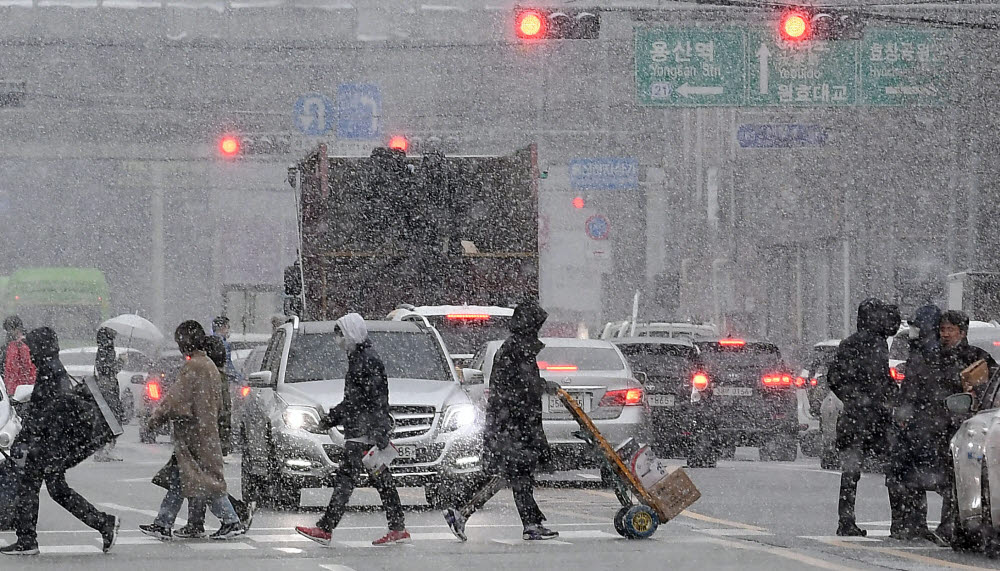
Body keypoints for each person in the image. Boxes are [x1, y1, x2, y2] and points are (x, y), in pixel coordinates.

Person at [442, 300, 560, 542]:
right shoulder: (517, 350)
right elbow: (523, 386)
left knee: (514, 474)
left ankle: (529, 523)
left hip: (513, 422)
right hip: (513, 423)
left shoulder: (516, 348)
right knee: (508, 474)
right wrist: (544, 387)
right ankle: (460, 508)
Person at [1, 327, 119, 556]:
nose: (30, 352)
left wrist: (27, 440)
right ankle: (102, 523)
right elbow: (43, 409)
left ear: (40, 347)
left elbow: (46, 411)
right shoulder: (51, 367)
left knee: (36, 486)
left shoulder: (50, 372)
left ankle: (28, 540)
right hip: (52, 444)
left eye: (32, 346)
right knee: (49, 488)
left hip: (50, 444)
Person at [295, 313, 411, 547]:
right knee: (379, 478)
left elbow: (359, 401)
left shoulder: (364, 360)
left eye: (340, 334)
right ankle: (397, 527)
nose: (338, 339)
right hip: (365, 429)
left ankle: (326, 528)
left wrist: (330, 419)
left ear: (350, 334)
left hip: (362, 430)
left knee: (347, 478)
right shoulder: (362, 357)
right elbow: (370, 398)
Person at [139, 321, 245, 541]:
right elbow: (216, 403)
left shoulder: (194, 367)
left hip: (193, 435)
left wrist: (154, 420)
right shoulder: (208, 366)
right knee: (181, 479)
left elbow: (174, 399)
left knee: (205, 481)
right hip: (205, 431)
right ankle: (163, 523)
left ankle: (231, 520)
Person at [821, 298, 900, 537]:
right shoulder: (876, 343)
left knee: (851, 472)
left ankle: (846, 520)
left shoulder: (853, 343)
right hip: (874, 417)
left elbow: (835, 378)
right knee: (892, 468)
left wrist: (853, 398)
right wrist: (884, 397)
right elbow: (880, 379)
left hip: (856, 417)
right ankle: (899, 522)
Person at [170, 335, 255, 539]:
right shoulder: (212, 374)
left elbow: (220, 412)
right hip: (206, 437)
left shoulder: (212, 377)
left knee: (202, 481)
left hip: (206, 438)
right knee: (196, 480)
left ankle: (234, 515)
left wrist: (216, 438)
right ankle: (195, 522)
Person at [888, 304, 957, 543]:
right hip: (931, 423)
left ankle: (917, 524)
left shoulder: (926, 353)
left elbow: (915, 388)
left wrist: (904, 412)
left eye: (916, 325)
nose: (913, 329)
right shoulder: (930, 351)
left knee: (915, 474)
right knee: (930, 475)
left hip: (926, 425)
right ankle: (927, 524)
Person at [935, 309, 997, 542]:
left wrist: (973, 392)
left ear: (962, 332)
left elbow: (989, 390)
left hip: (965, 425)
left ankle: (949, 525)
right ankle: (946, 524)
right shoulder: (935, 356)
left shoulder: (976, 357)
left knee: (959, 477)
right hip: (939, 424)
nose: (945, 334)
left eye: (950, 329)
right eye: (942, 329)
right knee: (947, 477)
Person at [93, 327, 123, 462]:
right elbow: (108, 369)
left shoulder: (102, 350)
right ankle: (106, 450)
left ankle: (102, 449)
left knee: (105, 417)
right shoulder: (107, 350)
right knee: (113, 418)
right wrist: (121, 362)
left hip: (104, 387)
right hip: (108, 388)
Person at [2, 316, 36, 397]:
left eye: (11, 329)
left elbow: (27, 366)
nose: (9, 332)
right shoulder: (9, 345)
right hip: (13, 388)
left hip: (22, 388)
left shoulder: (23, 344)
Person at [212, 316, 240, 382]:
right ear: (222, 327)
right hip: (221, 379)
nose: (228, 331)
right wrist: (239, 378)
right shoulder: (224, 344)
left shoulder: (208, 342)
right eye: (227, 327)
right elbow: (228, 366)